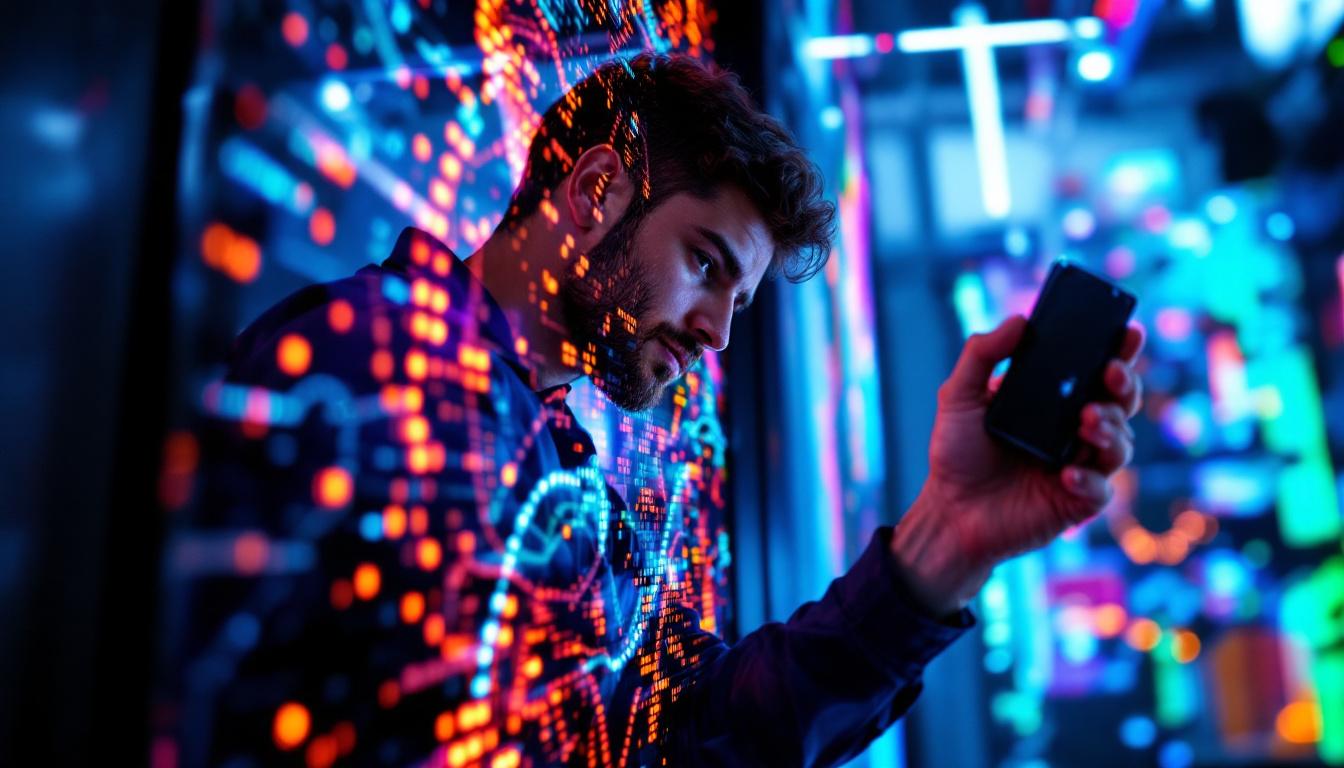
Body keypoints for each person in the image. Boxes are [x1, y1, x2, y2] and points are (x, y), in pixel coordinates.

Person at [180, 53, 1144, 766]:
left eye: (737, 296)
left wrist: (952, 539)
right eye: (707, 266)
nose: (718, 334)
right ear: (596, 193)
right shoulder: (381, 365)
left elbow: (696, 721)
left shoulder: (550, 455)